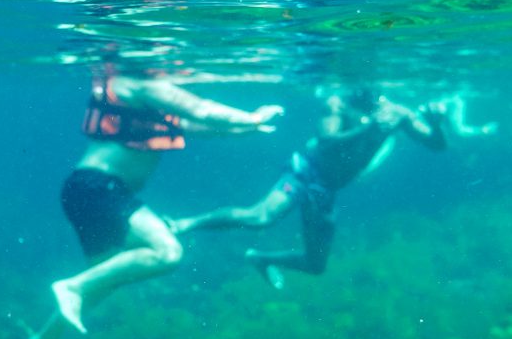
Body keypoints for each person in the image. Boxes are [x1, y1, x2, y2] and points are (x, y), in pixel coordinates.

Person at [25, 69, 284, 339]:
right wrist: (251, 117)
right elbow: (201, 108)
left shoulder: (147, 101)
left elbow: (195, 124)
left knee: (106, 279)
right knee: (167, 253)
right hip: (99, 187)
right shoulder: (141, 84)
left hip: (86, 190)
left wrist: (249, 128)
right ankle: (72, 288)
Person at [168, 88, 447, 289]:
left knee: (316, 265)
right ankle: (184, 223)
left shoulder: (397, 113)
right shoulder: (337, 103)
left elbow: (436, 145)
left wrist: (436, 125)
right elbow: (326, 142)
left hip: (327, 189)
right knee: (260, 217)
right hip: (306, 172)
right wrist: (368, 128)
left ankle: (261, 259)